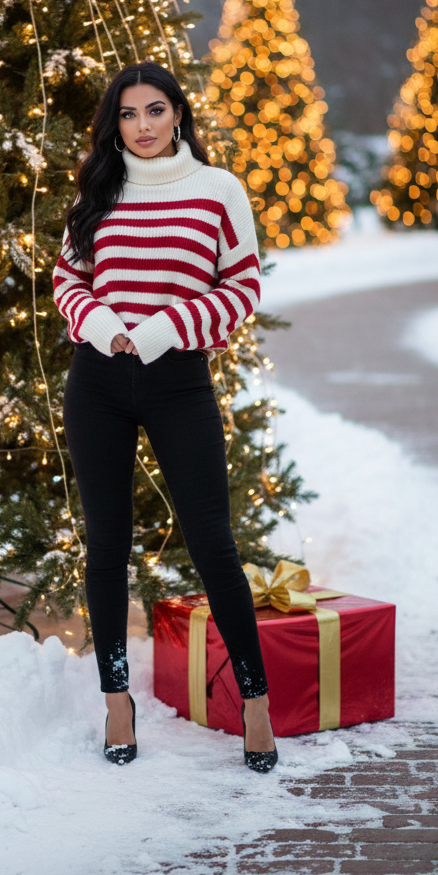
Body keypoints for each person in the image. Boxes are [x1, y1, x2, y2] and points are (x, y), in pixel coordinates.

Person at [53, 60, 277, 772]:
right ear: (112, 122)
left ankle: (256, 701)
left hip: (178, 381)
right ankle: (116, 700)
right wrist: (101, 327)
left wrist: (161, 329)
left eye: (155, 111)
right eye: (128, 114)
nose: (142, 126)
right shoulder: (99, 185)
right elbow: (69, 279)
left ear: (178, 113)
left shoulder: (217, 191)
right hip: (98, 384)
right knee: (107, 545)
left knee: (213, 543)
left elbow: (242, 286)